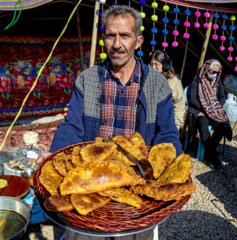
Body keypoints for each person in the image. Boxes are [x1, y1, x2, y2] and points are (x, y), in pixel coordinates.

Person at [37, 5, 182, 240]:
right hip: (90, 181)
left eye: (125, 35)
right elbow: (72, 126)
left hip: (134, 185)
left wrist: (170, 168)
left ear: (138, 41)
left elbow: (166, 134)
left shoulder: (157, 85)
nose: (117, 44)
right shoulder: (88, 79)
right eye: (110, 35)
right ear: (103, 38)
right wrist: (55, 157)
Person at [187, 59, 232, 169]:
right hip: (200, 110)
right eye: (212, 71)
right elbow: (192, 99)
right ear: (206, 69)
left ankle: (208, 151)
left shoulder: (217, 82)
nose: (214, 74)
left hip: (214, 111)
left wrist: (215, 107)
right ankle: (215, 158)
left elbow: (222, 97)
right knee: (203, 128)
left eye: (216, 72)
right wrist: (205, 108)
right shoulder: (197, 81)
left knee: (222, 127)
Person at [149, 49, 185, 130]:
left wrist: (176, 125)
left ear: (165, 65)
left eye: (156, 65)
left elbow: (179, 105)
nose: (153, 68)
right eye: (151, 64)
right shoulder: (148, 79)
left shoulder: (174, 82)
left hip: (167, 123)